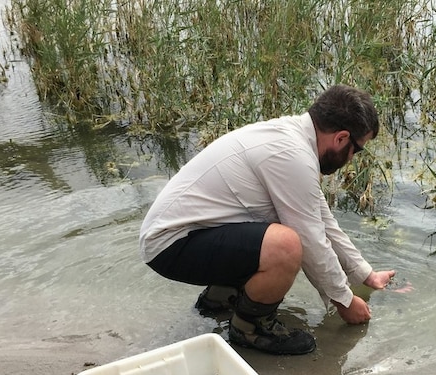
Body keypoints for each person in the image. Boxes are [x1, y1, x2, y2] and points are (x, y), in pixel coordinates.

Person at [139, 85, 396, 355]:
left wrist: (366, 275)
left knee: (276, 236)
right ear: (342, 138)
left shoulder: (291, 139)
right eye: (358, 150)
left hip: (186, 235)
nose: (352, 159)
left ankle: (221, 299)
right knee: (286, 245)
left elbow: (323, 220)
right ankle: (250, 328)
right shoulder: (291, 155)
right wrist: (344, 301)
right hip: (171, 245)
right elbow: (312, 242)